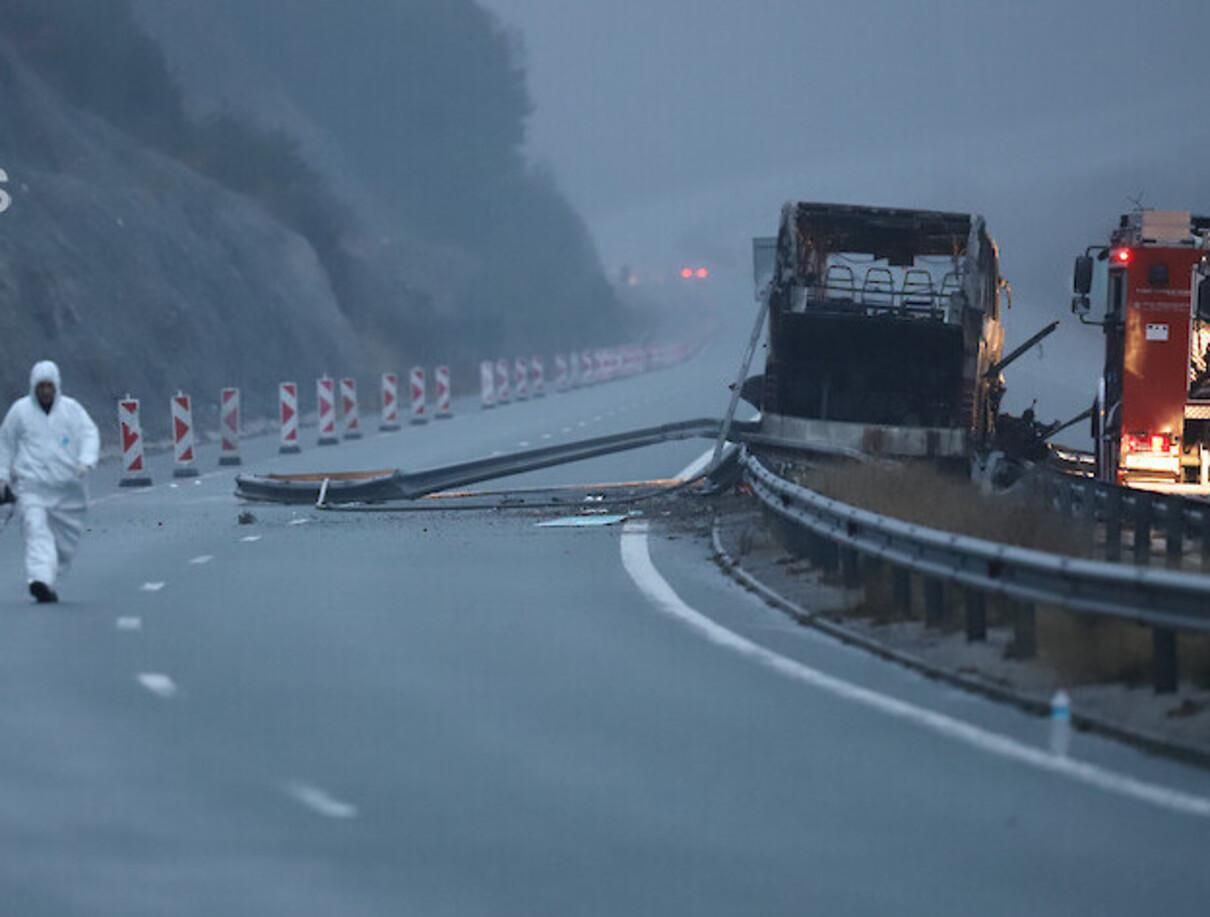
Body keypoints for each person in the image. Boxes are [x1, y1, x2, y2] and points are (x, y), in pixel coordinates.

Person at [0, 361, 99, 603]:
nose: (45, 391)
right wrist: (2, 476)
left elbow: (89, 433)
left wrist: (86, 461)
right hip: (31, 487)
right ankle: (39, 580)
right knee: (36, 531)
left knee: (63, 544)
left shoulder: (71, 410)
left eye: (49, 386)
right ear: (34, 386)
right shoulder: (20, 412)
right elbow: (6, 444)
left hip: (68, 491)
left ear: (57, 386)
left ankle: (49, 578)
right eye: (41, 386)